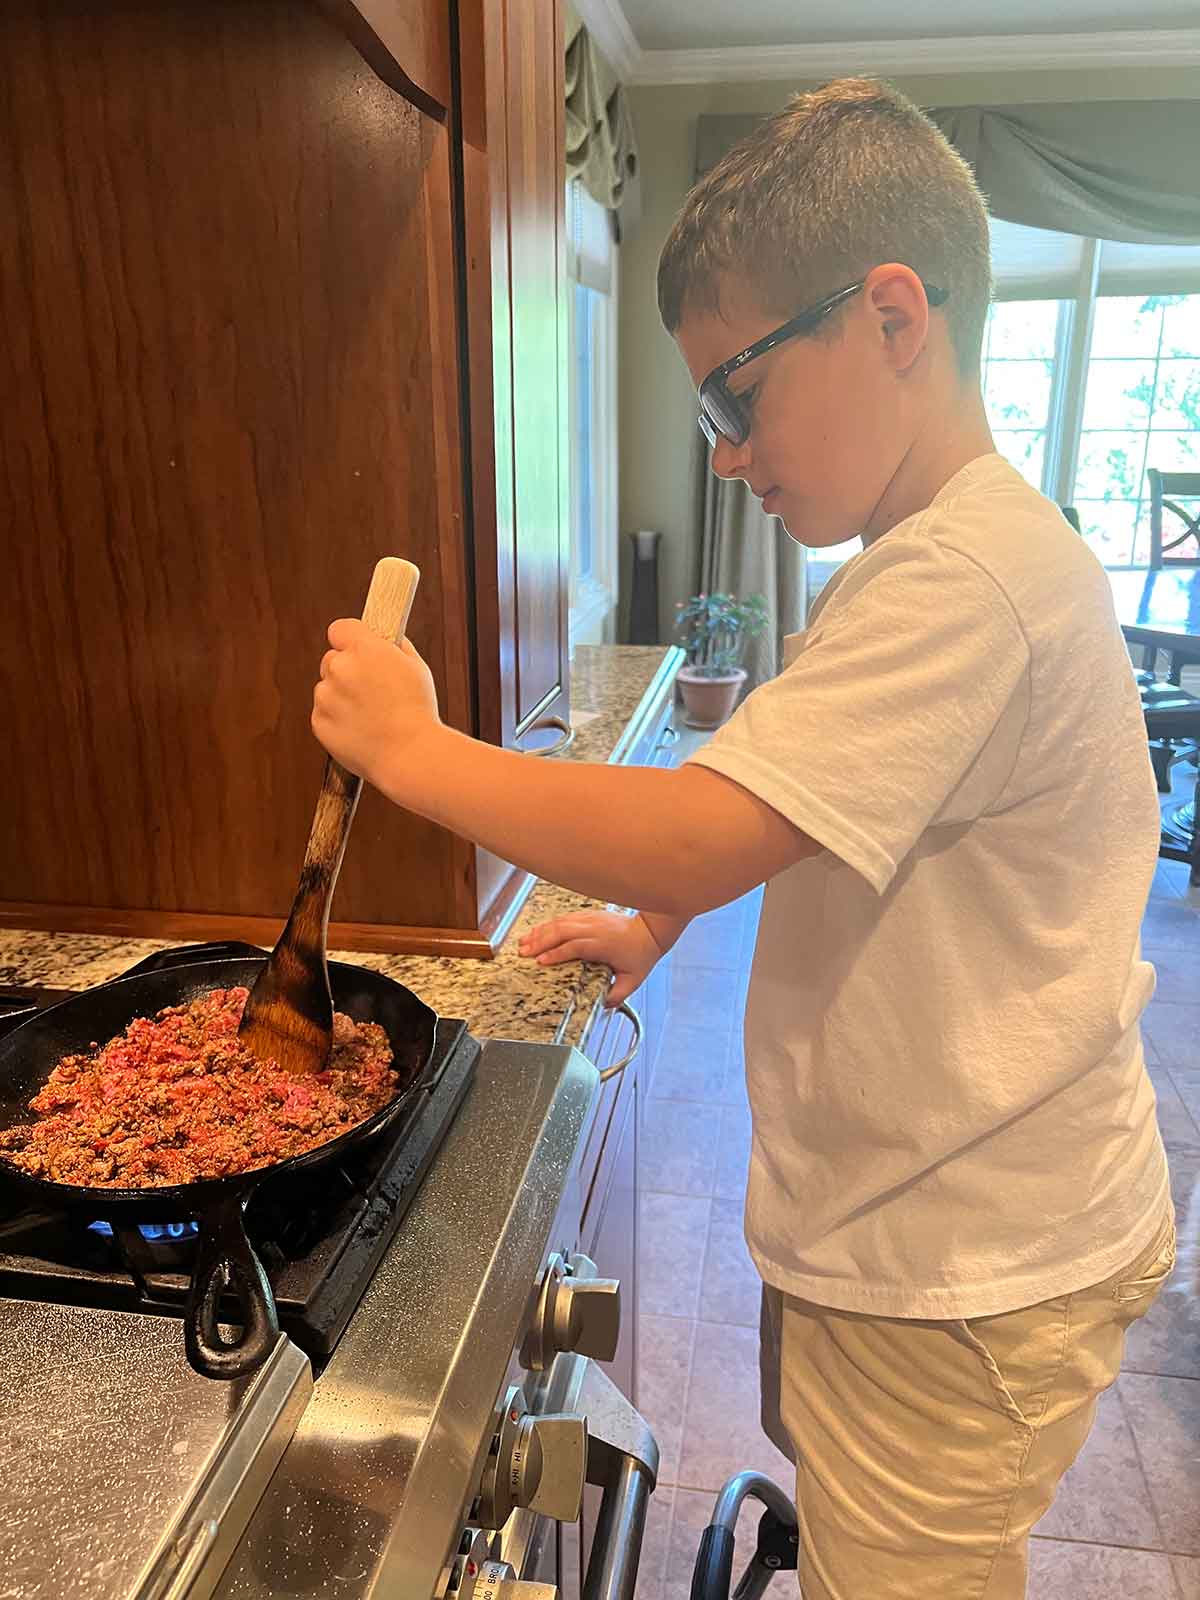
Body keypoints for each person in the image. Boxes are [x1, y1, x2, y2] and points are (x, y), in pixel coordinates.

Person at [309, 77, 1176, 1600]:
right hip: (914, 1234)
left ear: (892, 318)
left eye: (738, 396)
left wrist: (414, 751)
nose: (723, 455)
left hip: (962, 1274)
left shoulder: (961, 579)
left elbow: (710, 827)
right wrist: (652, 930)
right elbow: (799, 807)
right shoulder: (917, 566)